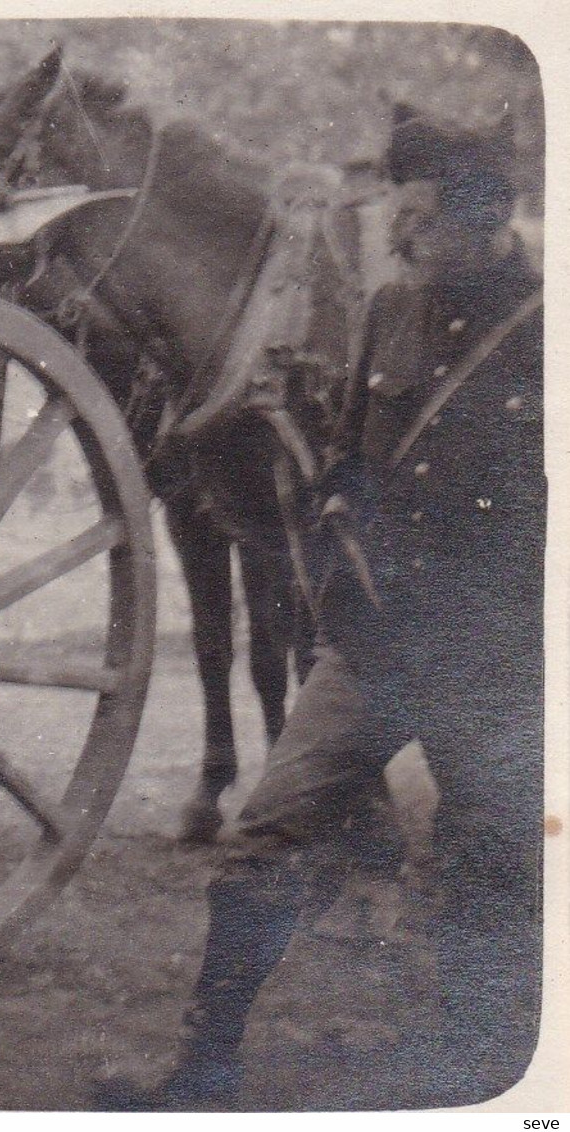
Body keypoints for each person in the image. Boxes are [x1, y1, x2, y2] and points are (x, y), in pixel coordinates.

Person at [100, 103, 545, 1109]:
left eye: (419, 217)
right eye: (397, 211)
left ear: (480, 219)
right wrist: (339, 500)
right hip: (371, 642)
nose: (398, 233)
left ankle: (475, 1073)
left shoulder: (542, 334)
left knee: (484, 863)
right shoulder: (388, 311)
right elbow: (347, 451)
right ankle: (201, 1069)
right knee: (265, 831)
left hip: (488, 660)